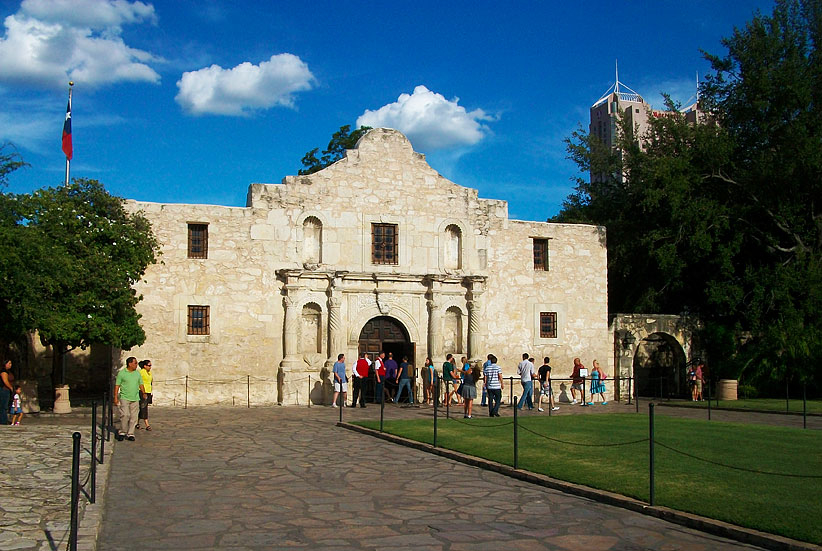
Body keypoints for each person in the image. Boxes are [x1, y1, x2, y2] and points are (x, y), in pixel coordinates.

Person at [114, 356, 145, 441]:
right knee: (125, 415)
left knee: (134, 417)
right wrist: (115, 397)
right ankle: (122, 431)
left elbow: (141, 384)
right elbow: (117, 386)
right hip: (124, 397)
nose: (136, 365)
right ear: (130, 364)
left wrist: (144, 392)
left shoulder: (137, 373)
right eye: (135, 363)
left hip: (135, 397)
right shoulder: (122, 373)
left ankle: (130, 433)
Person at [137, 360, 153, 430]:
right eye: (149, 365)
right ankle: (147, 424)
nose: (150, 367)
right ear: (145, 366)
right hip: (143, 391)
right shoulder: (141, 372)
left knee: (142, 407)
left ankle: (137, 423)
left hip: (148, 391)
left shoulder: (149, 373)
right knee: (144, 408)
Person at [1, 359, 14, 426]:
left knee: (5, 406)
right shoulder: (4, 372)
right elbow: (5, 381)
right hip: (4, 390)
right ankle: (3, 421)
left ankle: (4, 419)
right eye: (9, 363)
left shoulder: (9, 372)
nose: (10, 365)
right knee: (3, 406)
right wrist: (11, 387)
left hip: (6, 390)